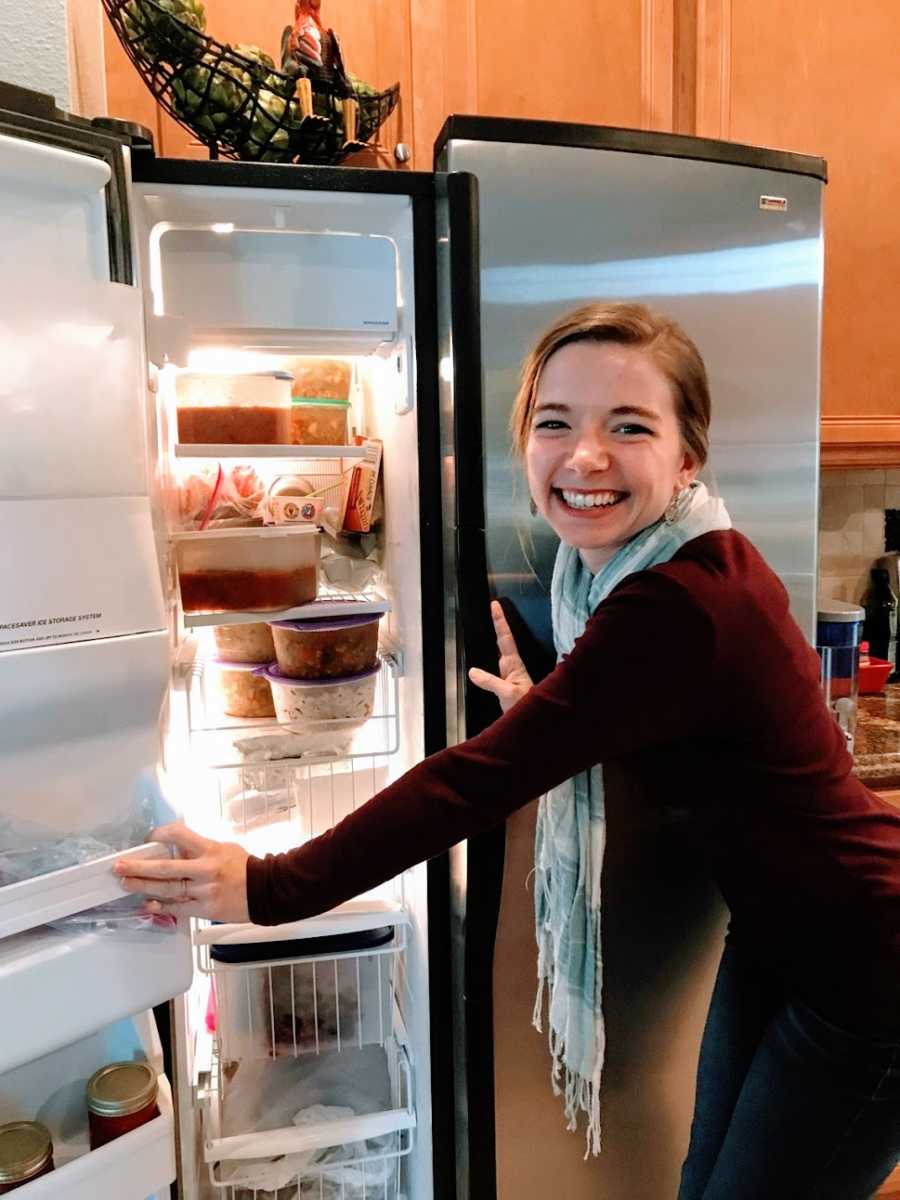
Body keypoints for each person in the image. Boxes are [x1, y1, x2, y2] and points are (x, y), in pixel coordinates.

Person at [116, 303, 900, 1199]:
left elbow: (474, 781)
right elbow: (683, 724)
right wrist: (559, 706)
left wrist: (266, 885)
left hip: (866, 971)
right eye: (554, 423)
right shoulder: (681, 564)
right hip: (784, 936)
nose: (584, 457)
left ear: (687, 457)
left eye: (629, 427)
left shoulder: (672, 605)